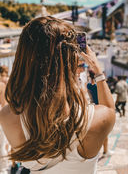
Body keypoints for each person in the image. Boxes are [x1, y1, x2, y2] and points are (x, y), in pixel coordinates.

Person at [0, 16, 115, 174]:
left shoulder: (8, 117)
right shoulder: (95, 120)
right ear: (72, 59)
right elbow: (109, 108)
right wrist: (98, 70)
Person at [87, 70, 114, 157]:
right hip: (102, 108)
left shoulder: (88, 86)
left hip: (94, 108)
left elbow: (90, 97)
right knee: (104, 132)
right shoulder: (99, 86)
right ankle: (106, 151)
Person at [0, 65, 10, 174]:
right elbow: (4, 105)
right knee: (2, 145)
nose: (4, 77)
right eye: (2, 75)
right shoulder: (2, 85)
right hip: (2, 118)